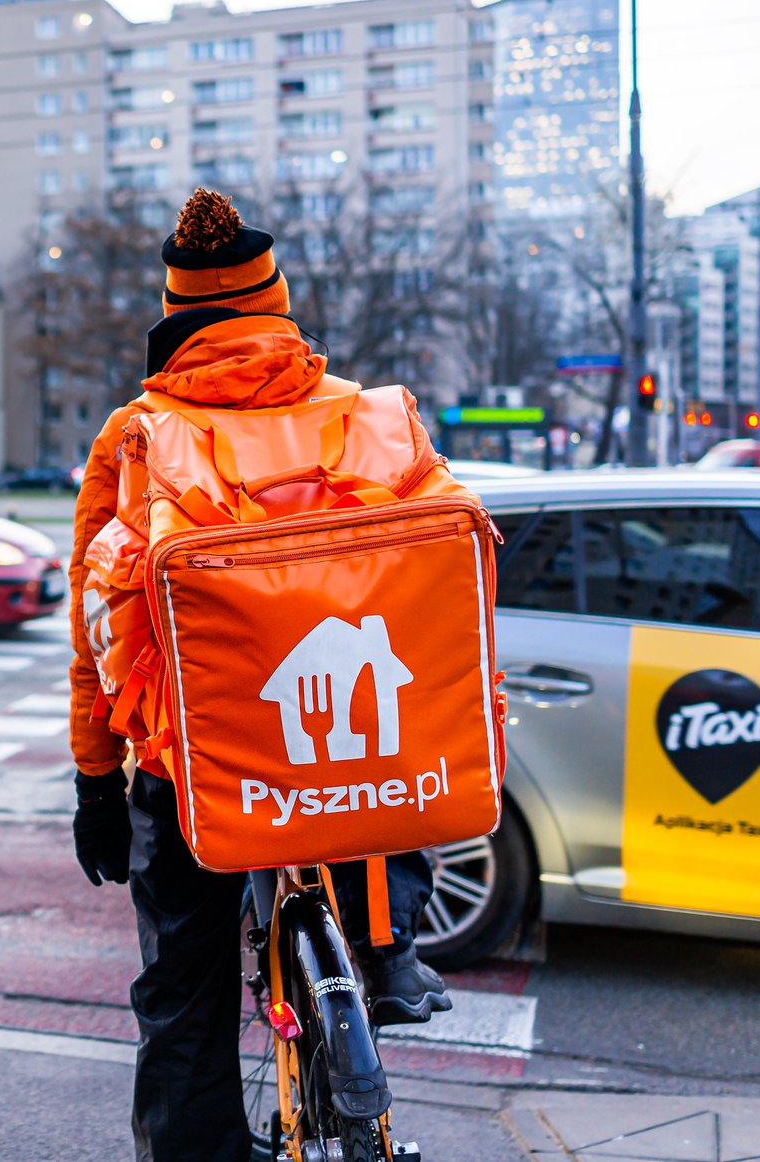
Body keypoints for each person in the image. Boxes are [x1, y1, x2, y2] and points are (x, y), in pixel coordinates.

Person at [67, 189, 452, 1162]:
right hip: (348, 746)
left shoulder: (133, 435)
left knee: (181, 997)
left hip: (195, 767)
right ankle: (388, 943)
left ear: (175, 324)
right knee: (370, 769)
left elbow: (94, 628)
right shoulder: (361, 416)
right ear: (277, 310)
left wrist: (93, 781)